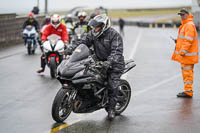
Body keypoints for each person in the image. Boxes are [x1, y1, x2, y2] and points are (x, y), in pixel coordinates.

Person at [70, 14, 125, 120]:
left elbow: (117, 51)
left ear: (104, 26)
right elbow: (82, 42)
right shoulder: (92, 33)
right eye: (94, 26)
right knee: (84, 75)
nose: (95, 28)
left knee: (112, 85)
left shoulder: (114, 35)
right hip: (98, 61)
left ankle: (111, 109)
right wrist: (70, 49)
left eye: (97, 26)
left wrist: (109, 62)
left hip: (115, 64)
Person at [171, 8, 199, 98]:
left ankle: (188, 92)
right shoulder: (186, 24)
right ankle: (187, 90)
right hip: (187, 56)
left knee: (187, 74)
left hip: (187, 56)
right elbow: (185, 39)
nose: (181, 17)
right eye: (180, 15)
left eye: (183, 15)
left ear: (187, 14)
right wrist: (177, 41)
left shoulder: (189, 25)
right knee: (187, 74)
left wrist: (182, 52)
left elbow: (188, 40)